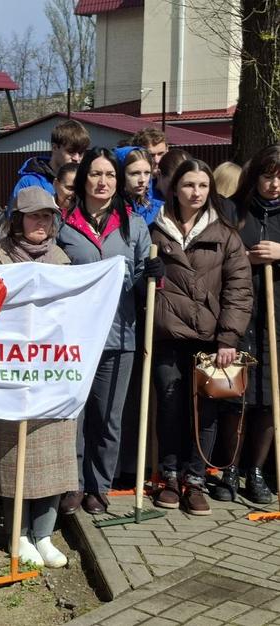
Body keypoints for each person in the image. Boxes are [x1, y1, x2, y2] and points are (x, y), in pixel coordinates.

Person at [149, 159, 252, 515]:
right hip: (167, 335)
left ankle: (195, 480)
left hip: (209, 339)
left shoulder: (225, 235)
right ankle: (170, 475)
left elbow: (239, 290)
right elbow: (136, 283)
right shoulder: (155, 231)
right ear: (174, 188)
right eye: (189, 185)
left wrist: (228, 338)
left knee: (204, 410)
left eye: (203, 186)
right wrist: (148, 276)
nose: (196, 192)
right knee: (170, 407)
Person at [57, 147, 154, 515]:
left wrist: (152, 276)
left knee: (109, 417)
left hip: (120, 335)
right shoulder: (64, 225)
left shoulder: (133, 224)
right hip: (75, 339)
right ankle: (73, 485)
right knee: (74, 415)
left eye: (110, 175)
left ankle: (100, 485)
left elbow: (143, 276)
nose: (103, 181)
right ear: (83, 180)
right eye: (96, 174)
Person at [0, 187, 76, 568]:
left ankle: (45, 533)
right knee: (13, 454)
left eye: (48, 216)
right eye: (34, 215)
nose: (42, 222)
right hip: (12, 372)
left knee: (54, 453)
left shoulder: (63, 260)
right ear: (17, 218)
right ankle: (18, 534)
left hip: (52, 374)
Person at [213, 145, 280, 504]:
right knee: (233, 396)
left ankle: (256, 470)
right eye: (268, 176)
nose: (274, 184)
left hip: (276, 322)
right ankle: (230, 467)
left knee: (268, 400)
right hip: (240, 317)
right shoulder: (234, 212)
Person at [8, 119, 90, 209]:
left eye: (81, 153)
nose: (76, 158)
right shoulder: (29, 183)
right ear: (54, 147)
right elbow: (13, 218)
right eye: (71, 152)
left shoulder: (86, 182)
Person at [115, 146, 163, 224]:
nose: (142, 180)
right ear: (120, 174)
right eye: (135, 173)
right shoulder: (108, 211)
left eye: (147, 173)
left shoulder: (160, 209)